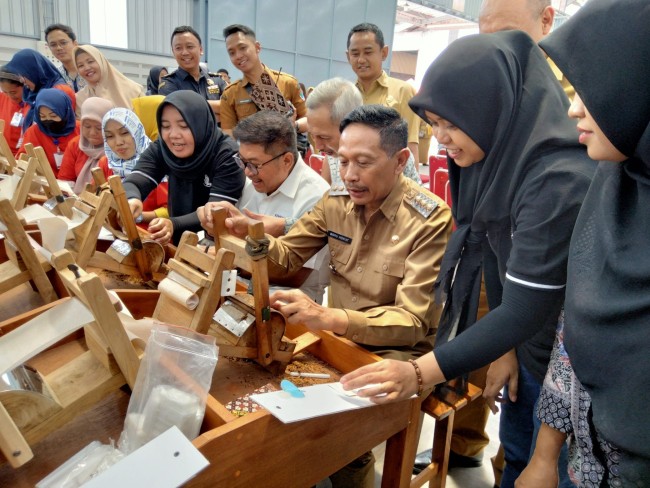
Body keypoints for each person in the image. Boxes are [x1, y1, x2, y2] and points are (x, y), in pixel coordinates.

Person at [340, 31, 595, 484]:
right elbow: (496, 257)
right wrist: (507, 349)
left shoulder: (557, 180)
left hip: (569, 373)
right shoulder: (493, 159)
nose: (439, 139)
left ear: (489, 108)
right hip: (526, 349)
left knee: (545, 469)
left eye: (449, 124)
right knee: (516, 457)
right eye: (434, 123)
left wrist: (419, 373)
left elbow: (525, 306)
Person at [204, 105, 452, 487]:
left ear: (401, 160)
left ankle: (349, 466)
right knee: (260, 392)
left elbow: (412, 322)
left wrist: (327, 317)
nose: (350, 175)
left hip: (401, 351)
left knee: (342, 436)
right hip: (339, 334)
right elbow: (286, 255)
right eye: (341, 160)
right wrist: (249, 234)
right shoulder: (337, 200)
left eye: (364, 163)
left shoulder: (429, 219)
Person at [518, 1, 650, 485]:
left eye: (593, 89)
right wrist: (543, 456)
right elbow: (574, 336)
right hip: (584, 462)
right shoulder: (614, 185)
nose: (574, 105)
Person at [198, 110, 330, 302]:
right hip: (239, 286)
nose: (247, 172)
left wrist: (232, 261)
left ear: (286, 160)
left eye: (254, 164)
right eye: (242, 161)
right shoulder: (253, 181)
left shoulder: (316, 196)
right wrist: (217, 225)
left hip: (288, 301)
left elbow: (297, 275)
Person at [123, 91, 244, 245]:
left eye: (184, 126)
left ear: (199, 123)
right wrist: (132, 198)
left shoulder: (227, 155)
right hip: (179, 240)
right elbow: (134, 181)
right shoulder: (163, 147)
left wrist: (174, 223)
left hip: (217, 243)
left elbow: (215, 213)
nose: (173, 135)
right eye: (165, 126)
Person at [306, 77, 421, 187]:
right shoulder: (332, 156)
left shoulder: (390, 151)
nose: (318, 146)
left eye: (324, 137)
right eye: (312, 136)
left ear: (349, 125)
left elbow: (415, 200)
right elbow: (325, 203)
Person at [346, 23, 420, 168]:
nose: (361, 60)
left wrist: (411, 187)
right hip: (352, 179)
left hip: (388, 180)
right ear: (348, 56)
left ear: (384, 53)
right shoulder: (345, 94)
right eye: (355, 54)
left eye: (368, 52)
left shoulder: (403, 91)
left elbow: (410, 146)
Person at [219, 24, 306, 137]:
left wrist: (293, 125)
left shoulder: (288, 83)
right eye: (232, 53)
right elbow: (228, 132)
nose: (238, 55)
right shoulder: (230, 94)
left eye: (243, 48)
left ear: (257, 47)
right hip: (250, 153)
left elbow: (309, 119)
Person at [479, 0, 573, 99]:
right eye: (485, 39)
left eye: (507, 36)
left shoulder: (580, 91)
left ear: (546, 20)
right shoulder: (477, 79)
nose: (496, 50)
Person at [99, 107, 167, 226]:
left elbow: (169, 210)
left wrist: (135, 216)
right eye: (110, 136)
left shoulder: (156, 162)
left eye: (125, 133)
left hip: (150, 236)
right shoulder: (106, 163)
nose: (118, 142)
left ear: (137, 131)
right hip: (112, 232)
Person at [158, 26, 226, 116]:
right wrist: (218, 110)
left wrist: (191, 106)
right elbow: (178, 115)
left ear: (201, 50)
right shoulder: (168, 83)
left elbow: (231, 106)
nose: (185, 52)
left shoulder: (217, 80)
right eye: (178, 48)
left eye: (189, 47)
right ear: (173, 53)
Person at [4, 49, 75, 132]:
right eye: (19, 76)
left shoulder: (59, 91)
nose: (22, 81)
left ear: (34, 71)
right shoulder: (31, 94)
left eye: (24, 75)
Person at [17, 88, 79, 176]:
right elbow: (22, 158)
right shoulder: (34, 132)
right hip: (45, 183)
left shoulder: (80, 130)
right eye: (42, 116)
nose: (48, 120)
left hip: (76, 183)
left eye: (53, 116)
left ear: (65, 112)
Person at [58, 97, 113, 194]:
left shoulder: (116, 150)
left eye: (99, 128)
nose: (92, 133)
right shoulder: (76, 144)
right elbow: (65, 179)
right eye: (87, 126)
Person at [74, 44, 145, 117]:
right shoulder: (80, 98)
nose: (87, 68)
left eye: (90, 61)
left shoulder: (134, 90)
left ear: (101, 61)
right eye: (80, 66)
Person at [44, 23, 86, 92]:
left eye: (63, 43)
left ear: (75, 44)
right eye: (53, 45)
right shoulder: (54, 76)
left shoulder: (91, 69)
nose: (59, 48)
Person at [0, 66, 29, 155]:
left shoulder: (33, 103)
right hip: (4, 153)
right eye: (5, 91)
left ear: (25, 86)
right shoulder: (2, 98)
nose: (9, 96)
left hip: (24, 156)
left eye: (13, 92)